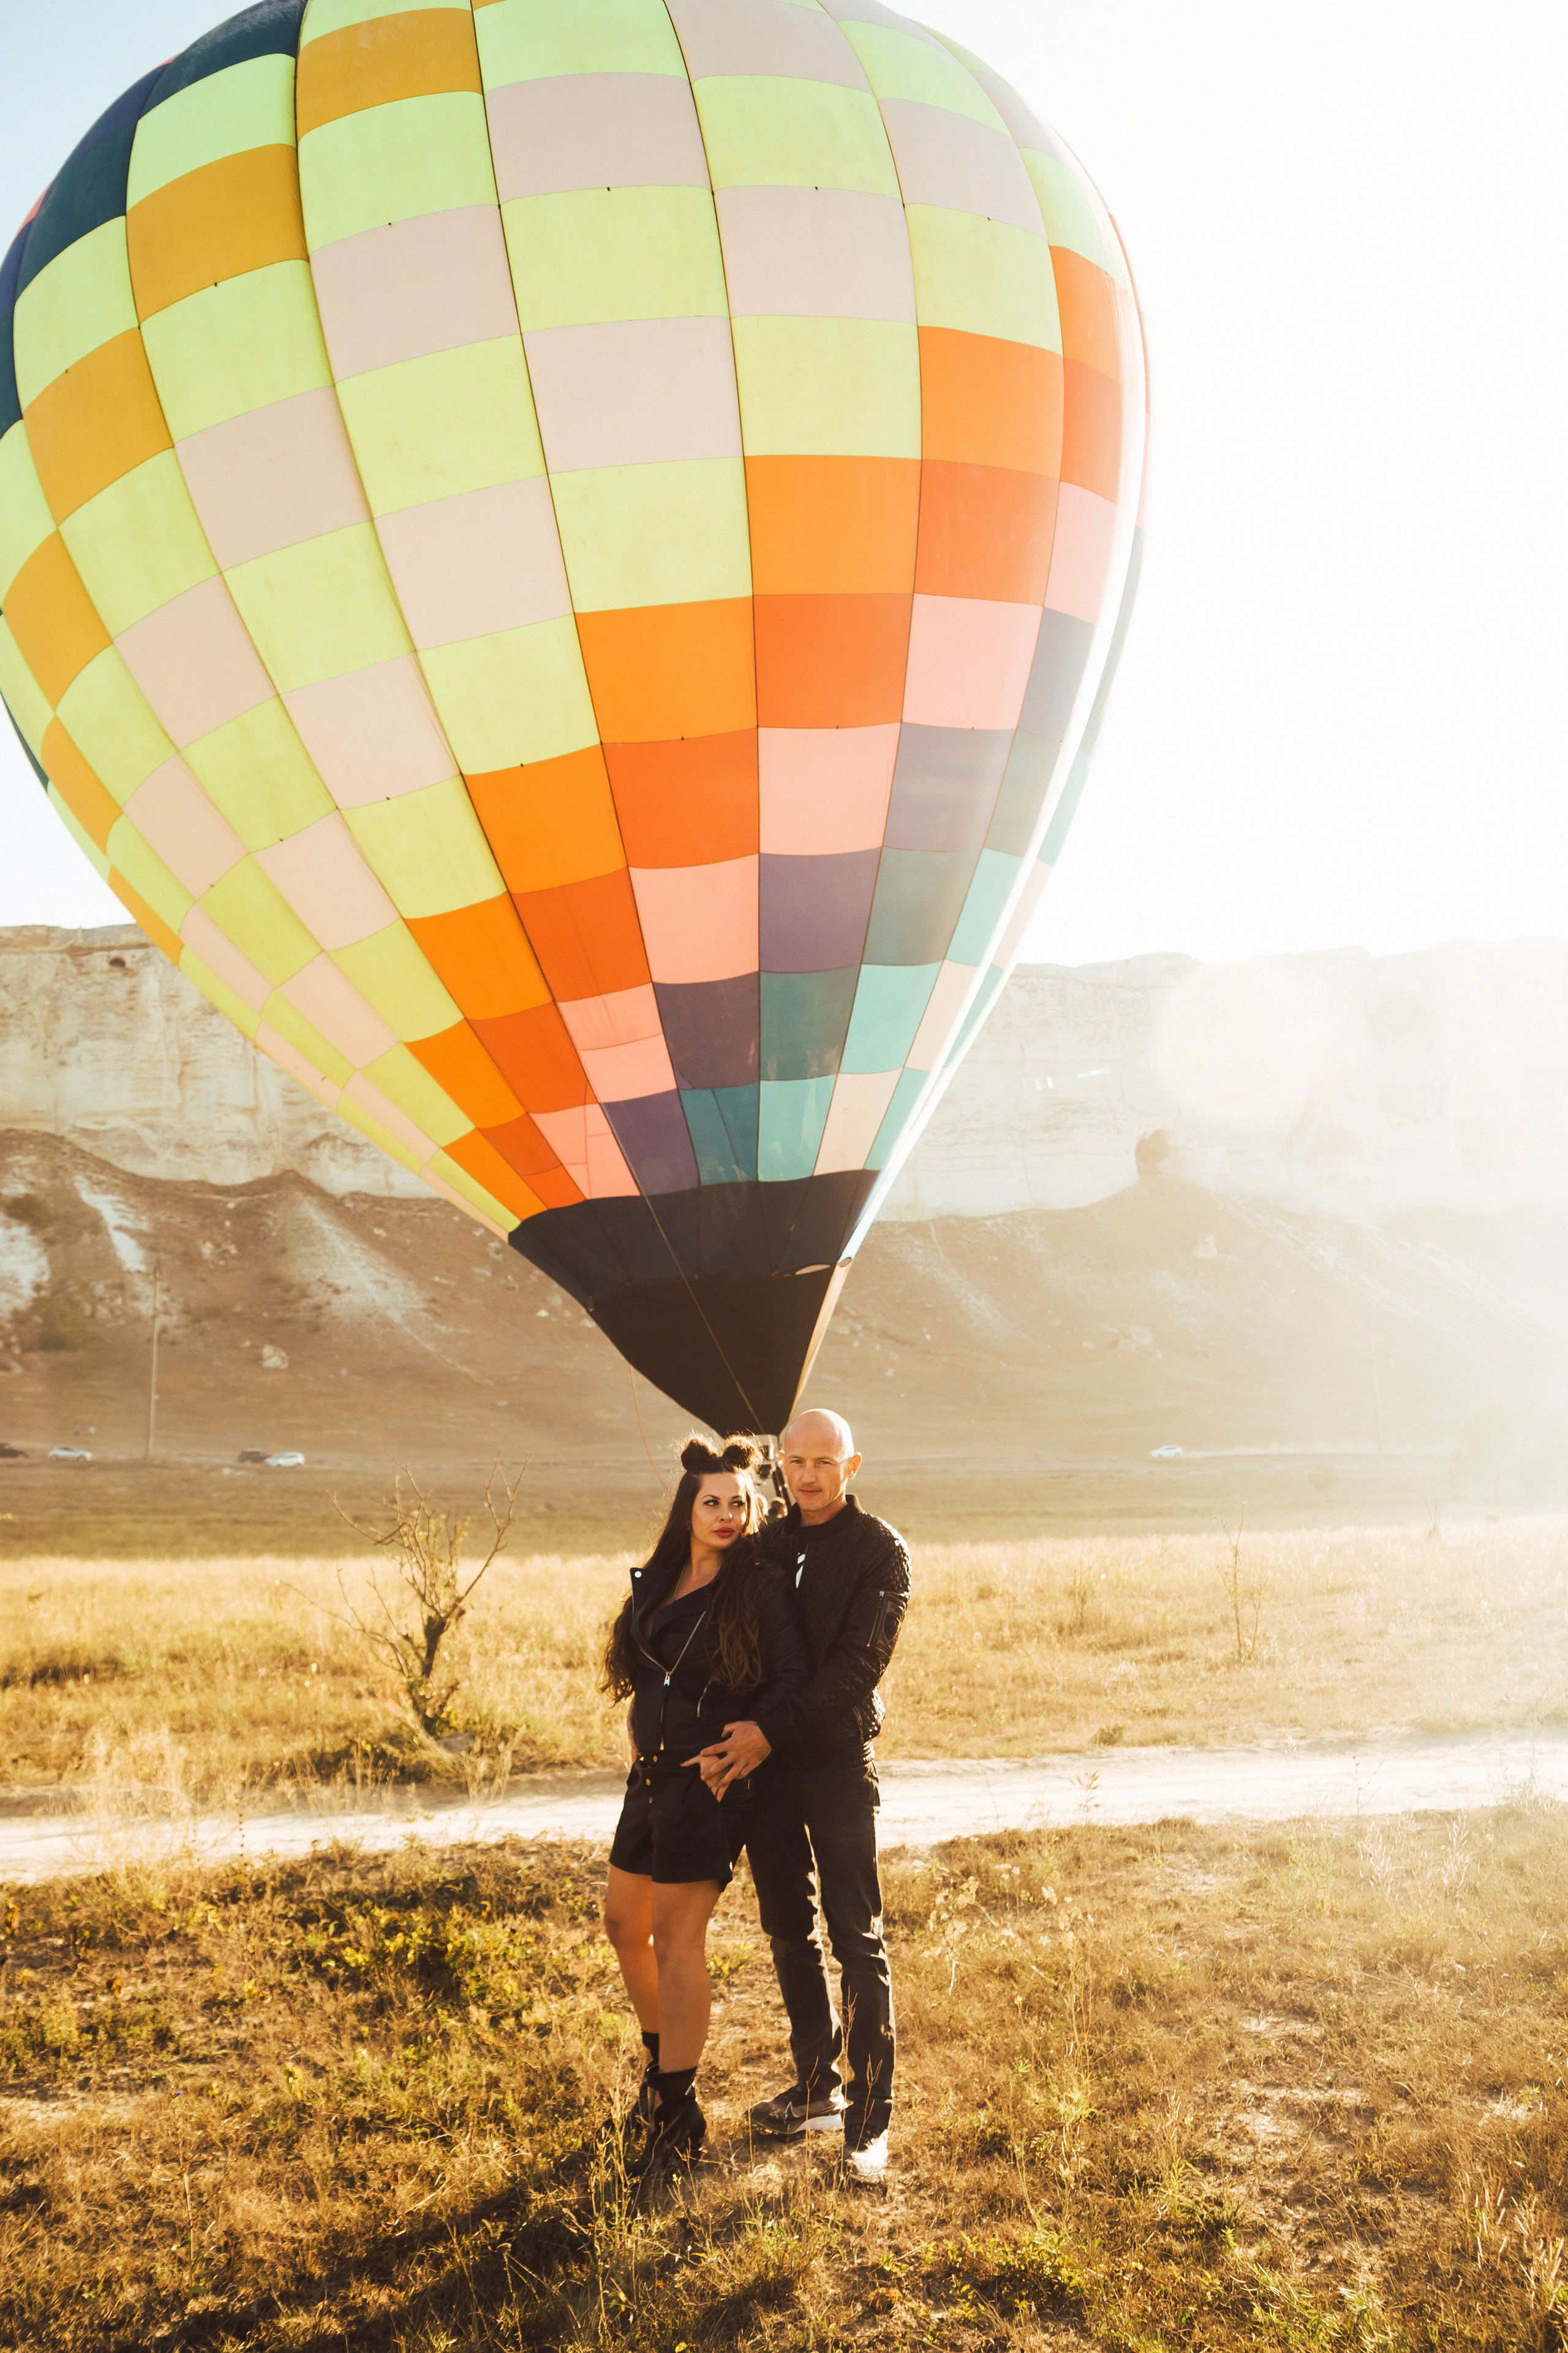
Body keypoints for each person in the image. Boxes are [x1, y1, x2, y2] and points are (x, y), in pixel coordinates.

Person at [696, 1408, 911, 2186]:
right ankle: (818, 2090)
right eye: (795, 1461)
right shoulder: (764, 1545)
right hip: (768, 1771)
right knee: (790, 1930)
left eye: (825, 1460)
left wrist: (766, 1732)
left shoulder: (881, 1551)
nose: (809, 1474)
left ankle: (868, 2125)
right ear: (779, 1465)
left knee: (858, 1938)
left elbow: (856, 1668)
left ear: (851, 1467)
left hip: (835, 1763)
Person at [600, 1434, 807, 2184]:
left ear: (753, 1511)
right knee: (624, 1924)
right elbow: (645, 1663)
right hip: (651, 1775)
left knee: (675, 1937)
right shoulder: (659, 1578)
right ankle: (663, 2074)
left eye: (739, 1503)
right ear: (687, 1508)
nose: (726, 1513)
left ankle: (675, 2106)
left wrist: (750, 1742)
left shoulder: (754, 1584)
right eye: (712, 1501)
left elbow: (790, 1675)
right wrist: (637, 1714)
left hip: (707, 1782)